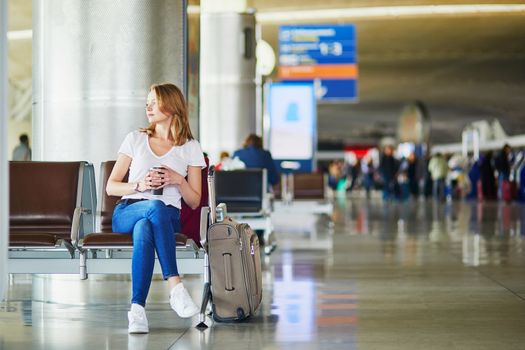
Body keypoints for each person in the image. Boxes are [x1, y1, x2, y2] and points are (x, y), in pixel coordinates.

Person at [106, 83, 204, 334]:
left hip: (167, 216)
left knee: (145, 228)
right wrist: (140, 184)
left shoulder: (191, 147)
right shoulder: (135, 138)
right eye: (147, 102)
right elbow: (111, 187)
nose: (148, 106)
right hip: (128, 210)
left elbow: (194, 201)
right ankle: (175, 286)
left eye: (154, 101)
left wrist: (177, 180)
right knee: (151, 210)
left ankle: (137, 311)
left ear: (171, 106)